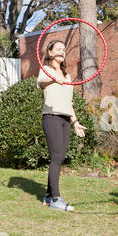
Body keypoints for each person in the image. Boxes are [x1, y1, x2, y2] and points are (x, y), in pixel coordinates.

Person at [37, 40, 87, 212]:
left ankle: (48, 196)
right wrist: (53, 79)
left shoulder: (66, 75)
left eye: (63, 50)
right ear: (50, 53)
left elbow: (68, 102)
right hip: (51, 118)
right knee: (57, 156)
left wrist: (76, 122)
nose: (61, 52)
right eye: (57, 49)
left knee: (60, 157)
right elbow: (41, 83)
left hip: (65, 120)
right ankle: (56, 199)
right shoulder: (47, 70)